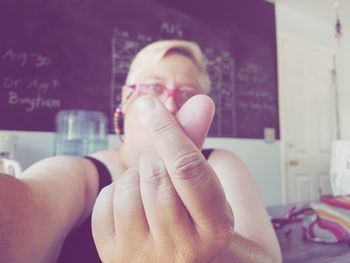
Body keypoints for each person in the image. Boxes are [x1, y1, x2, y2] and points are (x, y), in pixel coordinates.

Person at [0, 40, 281, 262]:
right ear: (126, 96)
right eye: (154, 87)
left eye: (185, 94)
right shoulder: (81, 174)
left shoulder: (220, 163)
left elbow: (266, 258)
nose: (169, 105)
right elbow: (28, 207)